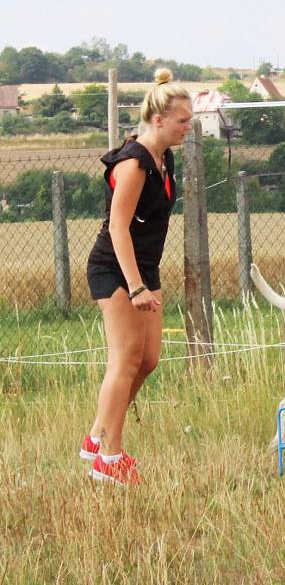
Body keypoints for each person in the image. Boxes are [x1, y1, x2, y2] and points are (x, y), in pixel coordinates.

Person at [80, 68, 193, 486]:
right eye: (182, 120)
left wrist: (146, 280)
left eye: (190, 120)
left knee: (148, 360)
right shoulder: (134, 162)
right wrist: (137, 287)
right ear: (158, 119)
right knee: (125, 360)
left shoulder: (165, 158)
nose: (188, 127)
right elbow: (117, 228)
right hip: (115, 268)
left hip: (145, 268)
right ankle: (108, 458)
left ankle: (95, 436)